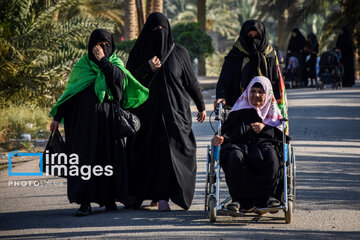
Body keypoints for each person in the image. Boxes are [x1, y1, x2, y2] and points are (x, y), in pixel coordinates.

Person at [49, 29, 149, 216]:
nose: (102, 49)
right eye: (98, 46)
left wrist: (104, 61)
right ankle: (84, 202)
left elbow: (119, 87)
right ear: (90, 46)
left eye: (106, 46)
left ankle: (109, 198)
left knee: (108, 158)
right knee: (83, 160)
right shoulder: (82, 66)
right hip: (82, 124)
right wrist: (57, 118)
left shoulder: (115, 63)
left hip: (108, 123)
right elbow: (70, 94)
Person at [125, 12, 206, 212]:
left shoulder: (179, 53)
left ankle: (166, 196)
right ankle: (157, 196)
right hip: (146, 116)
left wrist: (201, 105)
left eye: (163, 29)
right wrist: (146, 67)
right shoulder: (139, 52)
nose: (159, 33)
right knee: (150, 154)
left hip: (175, 116)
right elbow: (127, 80)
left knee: (174, 154)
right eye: (155, 30)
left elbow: (191, 82)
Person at [213, 76, 284, 213]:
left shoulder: (273, 112)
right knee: (234, 155)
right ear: (247, 92)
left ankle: (270, 197)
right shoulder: (239, 109)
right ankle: (238, 200)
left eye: (261, 92)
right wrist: (218, 139)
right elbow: (226, 133)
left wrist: (265, 128)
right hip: (240, 146)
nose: (256, 95)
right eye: (253, 91)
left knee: (271, 155)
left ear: (267, 94)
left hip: (265, 146)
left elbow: (282, 137)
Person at [215, 20, 281, 109]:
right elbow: (224, 80)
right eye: (250, 36)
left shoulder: (270, 55)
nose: (253, 39)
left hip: (265, 106)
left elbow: (275, 80)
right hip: (238, 105)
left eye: (257, 36)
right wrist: (221, 96)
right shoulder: (235, 54)